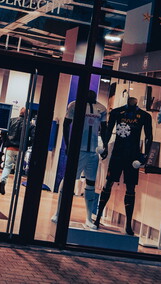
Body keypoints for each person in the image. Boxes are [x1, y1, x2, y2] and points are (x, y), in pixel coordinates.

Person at [95, 96, 152, 236]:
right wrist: (105, 146)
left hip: (133, 155)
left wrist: (145, 155)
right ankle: (97, 217)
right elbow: (108, 130)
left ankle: (128, 224)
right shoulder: (116, 112)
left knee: (131, 188)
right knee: (108, 183)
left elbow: (149, 136)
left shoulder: (144, 116)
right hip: (117, 153)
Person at [51, 90, 107, 229]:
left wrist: (105, 146)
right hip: (78, 150)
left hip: (93, 151)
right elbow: (66, 124)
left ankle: (88, 218)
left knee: (91, 183)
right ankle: (58, 213)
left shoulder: (102, 108)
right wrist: (68, 144)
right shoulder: (74, 105)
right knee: (68, 179)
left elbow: (104, 129)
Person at [0, 107, 27, 195]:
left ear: (20, 112)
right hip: (20, 149)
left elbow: (3, 132)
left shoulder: (11, 121)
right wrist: (26, 144)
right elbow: (33, 137)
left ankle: (3, 181)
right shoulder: (28, 124)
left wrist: (6, 142)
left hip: (10, 148)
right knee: (18, 170)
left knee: (7, 167)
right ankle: (15, 188)